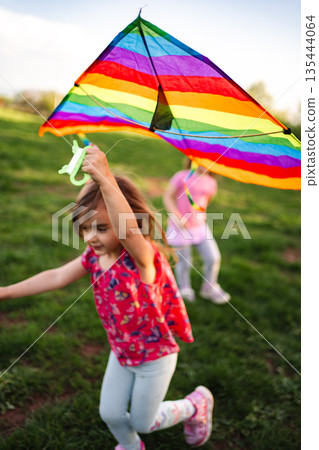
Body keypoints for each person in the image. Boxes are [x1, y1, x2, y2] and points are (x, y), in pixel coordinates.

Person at [0, 145, 214, 450]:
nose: (90, 237)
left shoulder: (141, 259)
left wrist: (105, 177)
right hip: (122, 350)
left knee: (143, 422)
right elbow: (57, 276)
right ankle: (130, 447)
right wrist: (5, 292)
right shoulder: (93, 258)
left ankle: (195, 405)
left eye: (101, 227)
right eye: (85, 227)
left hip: (156, 356)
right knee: (110, 413)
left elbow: (127, 232)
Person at [163, 160, 230, 304]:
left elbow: (206, 201)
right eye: (201, 160)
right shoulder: (182, 176)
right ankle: (185, 288)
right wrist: (177, 217)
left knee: (213, 258)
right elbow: (167, 197)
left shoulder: (212, 183)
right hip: (180, 228)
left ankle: (209, 287)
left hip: (200, 227)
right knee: (184, 263)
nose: (205, 164)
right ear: (193, 160)